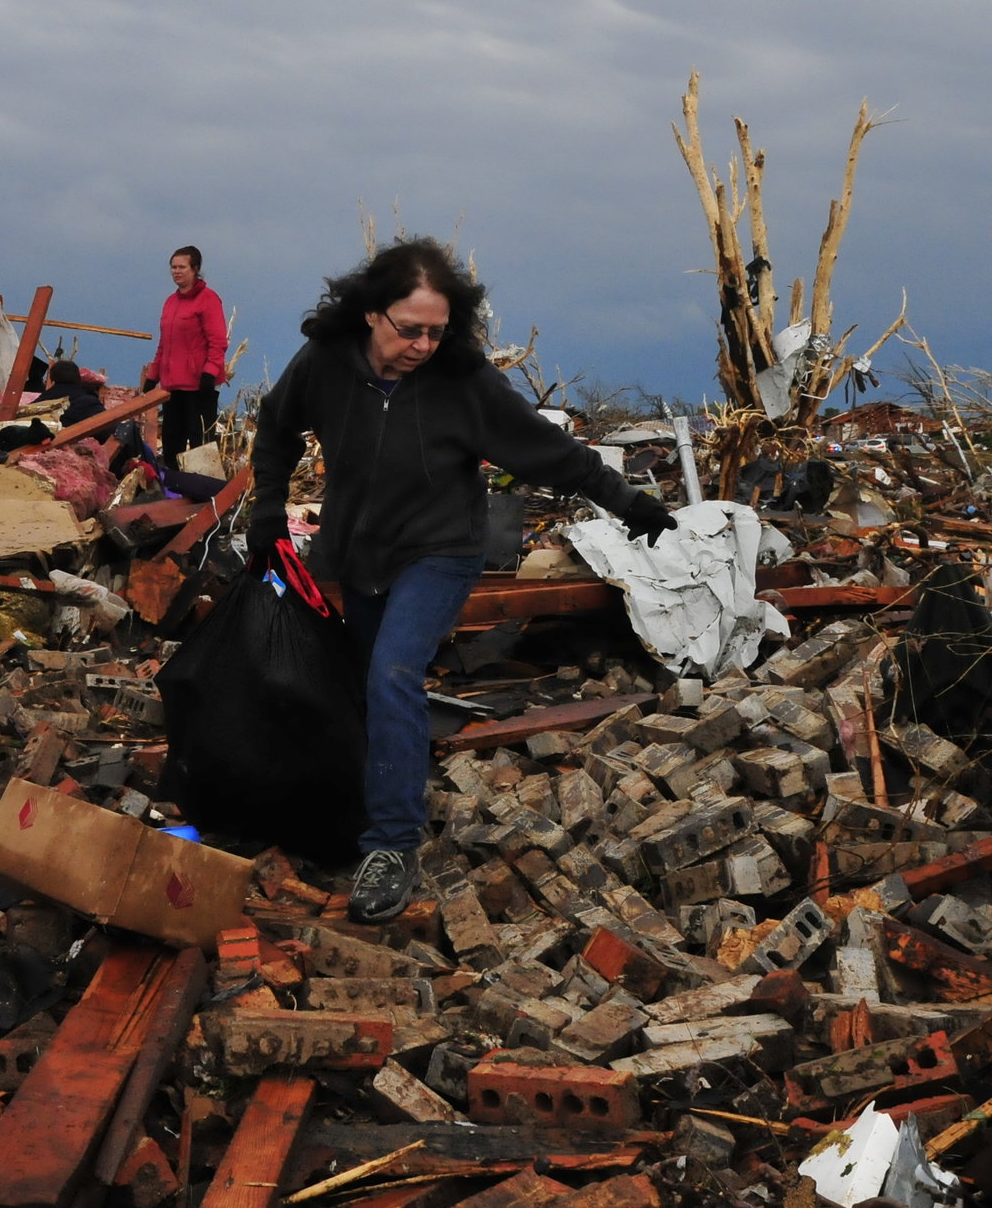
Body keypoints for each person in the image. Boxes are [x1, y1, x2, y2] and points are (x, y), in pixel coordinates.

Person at [247, 241, 677, 922]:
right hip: (355, 554)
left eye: (435, 331)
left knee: (393, 675)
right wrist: (268, 506)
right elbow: (275, 429)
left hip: (440, 551)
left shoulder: (463, 381)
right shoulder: (326, 365)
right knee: (357, 683)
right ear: (370, 315)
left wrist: (629, 503)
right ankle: (346, 810)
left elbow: (549, 450)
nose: (422, 344)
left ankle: (391, 846)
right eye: (409, 328)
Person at [145, 246, 227, 460]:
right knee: (172, 444)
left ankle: (205, 489)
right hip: (172, 386)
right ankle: (173, 492)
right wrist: (152, 376)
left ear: (195, 269)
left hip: (198, 385)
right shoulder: (170, 302)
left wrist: (210, 372)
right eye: (173, 267)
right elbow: (164, 344)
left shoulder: (208, 299)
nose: (176, 271)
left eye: (182, 267)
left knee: (201, 444)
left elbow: (218, 341)